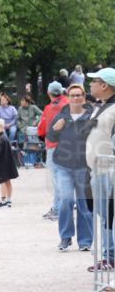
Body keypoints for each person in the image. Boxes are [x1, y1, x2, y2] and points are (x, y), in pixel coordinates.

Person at [46, 83, 93, 251]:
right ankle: (65, 237)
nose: (75, 98)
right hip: (63, 165)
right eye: (72, 95)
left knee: (84, 204)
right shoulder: (62, 114)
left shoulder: (91, 116)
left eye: (78, 95)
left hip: (83, 166)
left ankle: (85, 241)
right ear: (68, 97)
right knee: (66, 200)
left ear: (84, 97)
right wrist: (55, 129)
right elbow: (50, 136)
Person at [85, 68, 115, 271]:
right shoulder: (99, 106)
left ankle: (110, 255)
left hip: (109, 169)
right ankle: (109, 255)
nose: (90, 84)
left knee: (109, 215)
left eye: (94, 81)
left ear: (104, 85)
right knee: (105, 216)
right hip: (96, 169)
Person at [37, 81, 70, 220]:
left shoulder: (50, 108)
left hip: (54, 146)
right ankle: (60, 208)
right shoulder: (68, 103)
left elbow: (42, 129)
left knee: (57, 179)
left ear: (49, 93)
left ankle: (59, 210)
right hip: (69, 146)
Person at [0, 119, 19, 207]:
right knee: (4, 182)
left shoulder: (1, 139)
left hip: (4, 164)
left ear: (2, 127)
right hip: (4, 163)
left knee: (6, 182)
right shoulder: (1, 138)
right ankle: (4, 199)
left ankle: (8, 200)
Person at [17, 95, 43, 165]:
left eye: (23, 101)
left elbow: (42, 114)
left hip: (32, 129)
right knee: (23, 144)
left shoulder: (33, 107)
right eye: (21, 101)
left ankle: (35, 161)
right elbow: (17, 119)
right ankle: (26, 162)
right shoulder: (20, 108)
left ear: (27, 102)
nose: (21, 102)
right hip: (23, 129)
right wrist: (20, 126)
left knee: (34, 144)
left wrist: (36, 122)